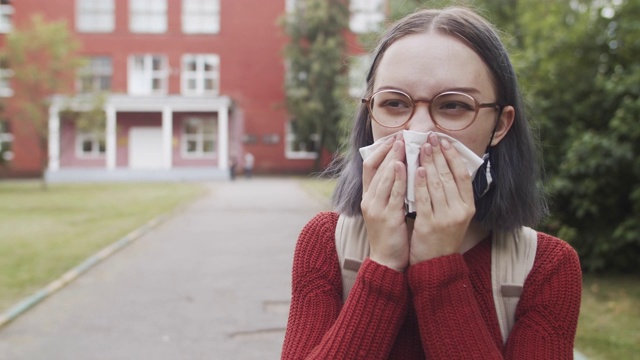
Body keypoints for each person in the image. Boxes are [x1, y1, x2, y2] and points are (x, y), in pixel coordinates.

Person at [281, 6, 582, 359]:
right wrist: (382, 265)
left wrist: (438, 265)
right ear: (370, 113)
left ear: (500, 125)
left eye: (453, 106)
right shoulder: (325, 244)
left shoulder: (546, 268)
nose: (419, 130)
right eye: (394, 103)